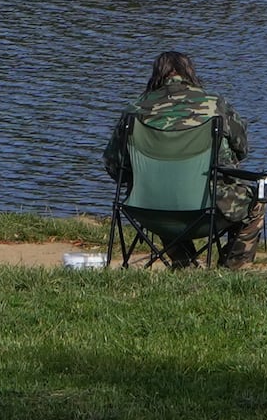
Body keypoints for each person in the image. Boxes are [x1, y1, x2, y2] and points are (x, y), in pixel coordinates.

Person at [103, 50, 254, 267]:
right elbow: (242, 149)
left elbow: (114, 167)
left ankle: (185, 264)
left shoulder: (134, 110)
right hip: (207, 210)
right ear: (189, 73)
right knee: (257, 202)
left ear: (157, 75)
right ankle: (229, 271)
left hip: (149, 210)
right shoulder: (215, 105)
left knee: (162, 186)